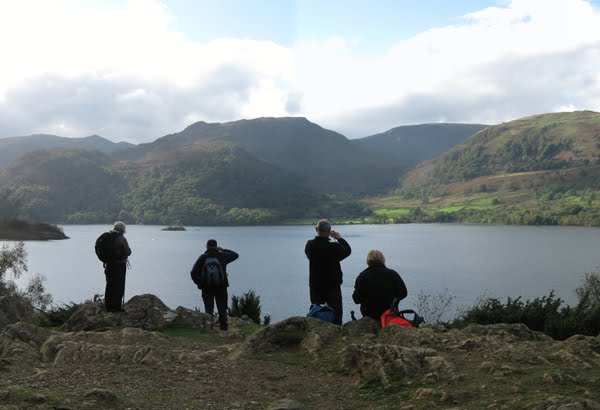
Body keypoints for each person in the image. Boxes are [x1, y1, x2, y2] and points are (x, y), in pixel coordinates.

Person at [305, 219, 351, 325]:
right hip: (332, 285)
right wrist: (339, 238)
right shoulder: (334, 248)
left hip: (316, 284)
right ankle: (337, 333)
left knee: (316, 310)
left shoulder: (310, 245)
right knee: (336, 312)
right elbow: (347, 250)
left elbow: (309, 253)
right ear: (329, 231)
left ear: (316, 229)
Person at [190, 239, 239, 331]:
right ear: (216, 246)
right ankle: (224, 329)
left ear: (207, 247)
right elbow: (236, 255)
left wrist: (200, 284)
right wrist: (223, 249)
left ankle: (209, 329)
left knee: (209, 309)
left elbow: (193, 273)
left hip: (207, 288)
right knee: (222, 308)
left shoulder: (203, 257)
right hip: (221, 287)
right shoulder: (223, 256)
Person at [352, 249, 407, 322]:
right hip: (389, 313)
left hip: (369, 315)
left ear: (368, 261)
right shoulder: (393, 274)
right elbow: (403, 293)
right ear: (382, 259)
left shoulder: (362, 276)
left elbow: (356, 299)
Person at [104, 221, 131, 312]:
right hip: (119, 266)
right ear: (123, 229)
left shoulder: (108, 236)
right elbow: (128, 252)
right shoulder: (121, 238)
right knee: (119, 285)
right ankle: (116, 307)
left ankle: (108, 306)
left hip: (109, 265)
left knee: (110, 285)